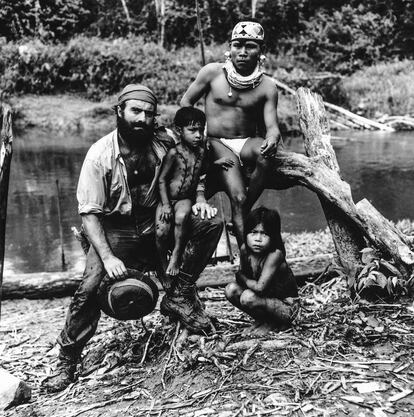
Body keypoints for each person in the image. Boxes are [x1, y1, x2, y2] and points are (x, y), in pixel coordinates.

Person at [42, 84, 222, 393]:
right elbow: (90, 215)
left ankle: (180, 294)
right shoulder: (100, 155)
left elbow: (199, 160)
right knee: (88, 288)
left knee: (211, 222)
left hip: (157, 222)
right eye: (134, 111)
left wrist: (200, 196)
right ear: (119, 112)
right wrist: (109, 256)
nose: (141, 119)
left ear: (155, 118)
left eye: (148, 113)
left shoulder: (165, 144)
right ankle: (68, 360)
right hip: (117, 229)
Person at [180, 21, 282, 247]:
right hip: (215, 141)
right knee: (238, 196)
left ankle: (245, 210)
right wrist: (197, 132)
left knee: (267, 154)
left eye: (250, 46)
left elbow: (272, 125)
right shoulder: (212, 73)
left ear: (261, 51)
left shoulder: (267, 86)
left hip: (245, 142)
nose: (243, 52)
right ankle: (244, 241)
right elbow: (186, 102)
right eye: (238, 45)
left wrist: (272, 138)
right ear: (230, 48)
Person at [225, 207, 299, 335]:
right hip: (264, 300)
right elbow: (242, 280)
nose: (258, 239)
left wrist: (243, 278)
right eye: (253, 232)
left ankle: (273, 323)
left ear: (273, 236)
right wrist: (243, 278)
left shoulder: (275, 254)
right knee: (231, 290)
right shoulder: (245, 250)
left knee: (248, 297)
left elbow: (259, 288)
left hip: (287, 308)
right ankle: (262, 320)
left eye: (264, 234)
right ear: (246, 233)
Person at [156, 107, 208, 277]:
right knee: (161, 231)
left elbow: (202, 174)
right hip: (167, 199)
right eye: (192, 130)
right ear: (179, 131)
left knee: (181, 217)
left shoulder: (201, 152)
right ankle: (163, 264)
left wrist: (217, 163)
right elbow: (162, 179)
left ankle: (176, 255)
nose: (198, 135)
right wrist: (165, 205)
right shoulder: (174, 153)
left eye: (201, 130)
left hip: (185, 199)